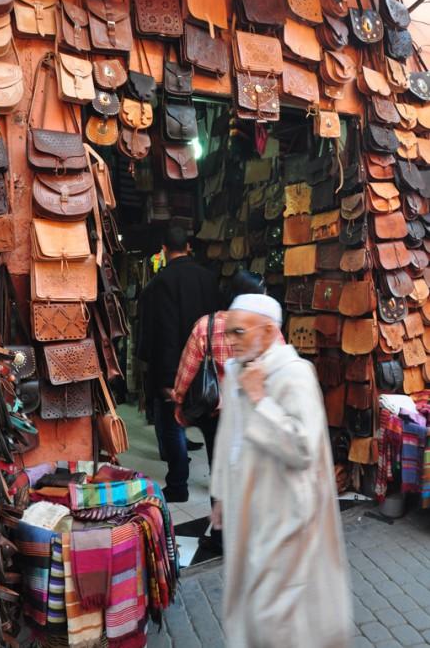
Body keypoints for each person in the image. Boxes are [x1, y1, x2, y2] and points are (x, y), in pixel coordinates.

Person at [210, 293, 352, 648]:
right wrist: (222, 494)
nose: (230, 341)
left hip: (286, 512)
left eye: (239, 332)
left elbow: (304, 448)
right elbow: (229, 438)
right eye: (228, 333)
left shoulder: (294, 375)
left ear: (270, 331)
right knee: (250, 597)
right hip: (247, 505)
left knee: (280, 610)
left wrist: (261, 400)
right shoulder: (236, 371)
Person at [173, 270, 269, 554]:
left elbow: (187, 369)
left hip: (218, 415)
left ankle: (221, 537)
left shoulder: (207, 325)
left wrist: (179, 400)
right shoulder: (264, 327)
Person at [137, 225, 219, 502]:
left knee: (172, 427)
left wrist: (156, 373)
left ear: (163, 249)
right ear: (188, 247)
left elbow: (153, 334)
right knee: (212, 428)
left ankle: (178, 485)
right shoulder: (209, 280)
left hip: (170, 368)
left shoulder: (156, 286)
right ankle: (218, 488)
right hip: (208, 369)